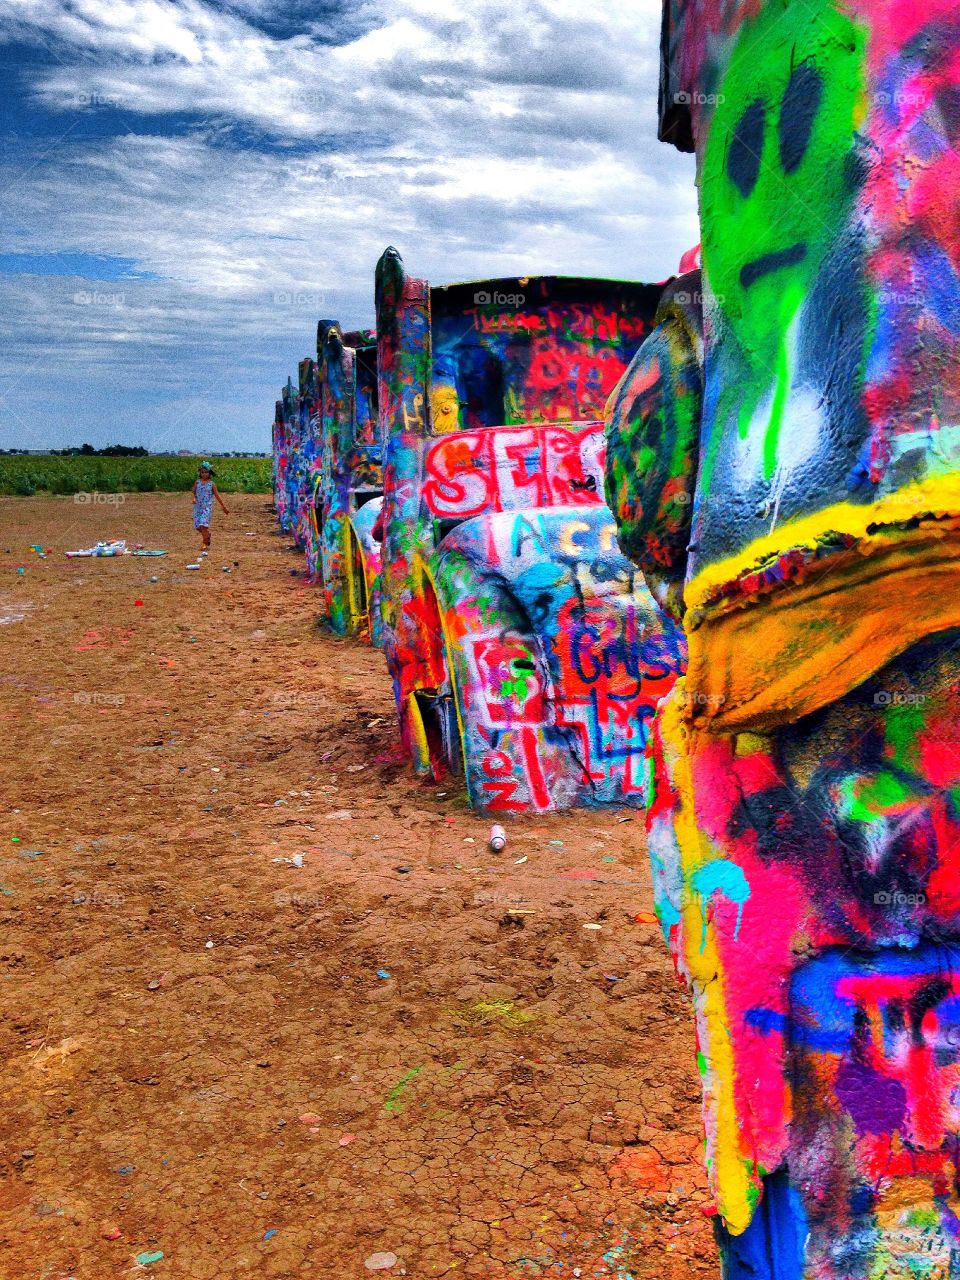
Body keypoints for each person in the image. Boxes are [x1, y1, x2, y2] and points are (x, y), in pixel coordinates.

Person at [192, 461, 229, 554]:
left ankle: (205, 543)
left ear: (209, 473)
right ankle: (207, 535)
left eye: (206, 472)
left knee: (203, 525)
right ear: (200, 473)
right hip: (197, 507)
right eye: (202, 472)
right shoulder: (197, 482)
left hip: (206, 507)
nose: (204, 474)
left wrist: (223, 506)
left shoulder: (211, 484)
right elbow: (194, 492)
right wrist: (194, 498)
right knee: (198, 527)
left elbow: (217, 496)